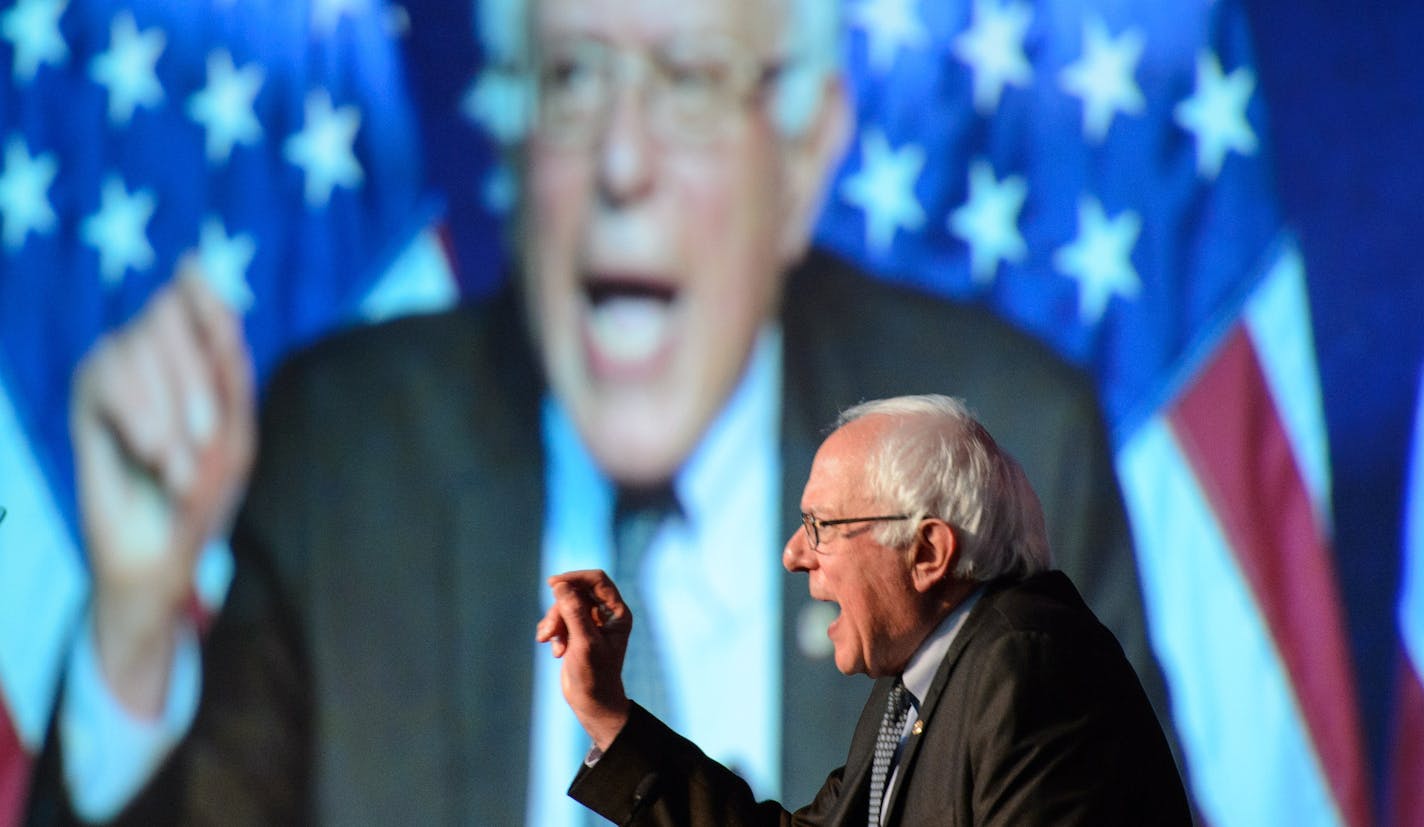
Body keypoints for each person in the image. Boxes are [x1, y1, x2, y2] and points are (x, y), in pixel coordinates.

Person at [35, 0, 1176, 823]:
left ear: (801, 150)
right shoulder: (343, 447)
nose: (622, 161)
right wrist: (134, 627)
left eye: (686, 82)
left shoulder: (1001, 466)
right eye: (574, 79)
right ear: (513, 139)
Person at [538, 395, 1192, 825]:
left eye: (821, 525)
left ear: (928, 550)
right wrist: (609, 715)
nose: (794, 553)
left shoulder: (1026, 662)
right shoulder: (918, 692)